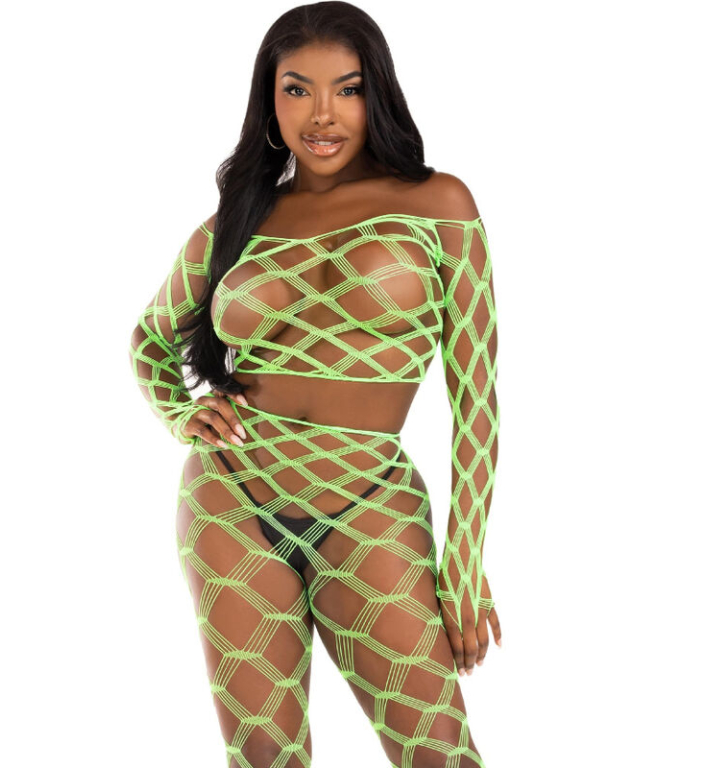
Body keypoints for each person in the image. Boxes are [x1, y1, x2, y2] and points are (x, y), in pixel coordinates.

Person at [129, 3, 501, 766]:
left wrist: (462, 561)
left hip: (370, 503)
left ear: (378, 95)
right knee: (267, 759)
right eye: (297, 90)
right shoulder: (237, 220)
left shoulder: (440, 206)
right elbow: (149, 340)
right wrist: (179, 413)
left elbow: (477, 400)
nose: (322, 114)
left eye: (348, 89)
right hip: (230, 500)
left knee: (441, 755)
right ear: (270, 101)